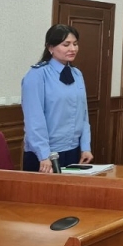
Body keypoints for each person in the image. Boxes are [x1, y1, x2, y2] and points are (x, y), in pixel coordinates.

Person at [21, 24, 93, 173]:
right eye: (66, 44)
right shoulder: (37, 75)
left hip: (73, 149)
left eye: (75, 44)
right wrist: (43, 154)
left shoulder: (77, 74)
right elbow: (34, 119)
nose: (72, 49)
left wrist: (85, 147)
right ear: (50, 47)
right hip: (46, 154)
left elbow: (83, 114)